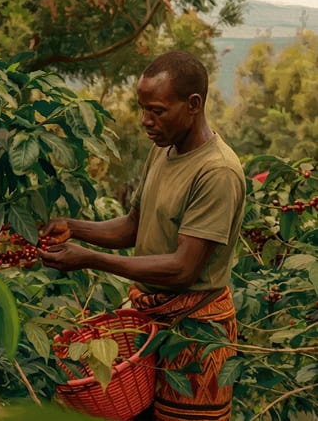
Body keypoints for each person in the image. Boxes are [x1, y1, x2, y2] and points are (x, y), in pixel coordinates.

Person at [38, 51, 245, 421]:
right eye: (142, 108)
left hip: (193, 336)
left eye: (158, 111)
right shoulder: (163, 150)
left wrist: (89, 258)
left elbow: (183, 269)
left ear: (193, 104)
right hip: (150, 325)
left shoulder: (217, 173)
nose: (146, 121)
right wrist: (75, 227)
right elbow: (134, 225)